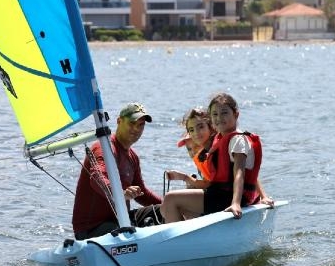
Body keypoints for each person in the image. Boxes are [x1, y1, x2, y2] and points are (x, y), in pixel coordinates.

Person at [160, 93, 271, 223]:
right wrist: (263, 196)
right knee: (169, 208)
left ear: (236, 115)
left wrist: (236, 203)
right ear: (211, 118)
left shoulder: (237, 140)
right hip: (222, 195)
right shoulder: (221, 139)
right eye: (215, 114)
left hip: (229, 197)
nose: (219, 118)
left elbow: (240, 172)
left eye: (224, 113)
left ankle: (179, 237)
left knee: (170, 199)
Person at [72, 102, 162, 239]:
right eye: (132, 123)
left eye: (141, 125)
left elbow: (142, 194)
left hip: (120, 220)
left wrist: (169, 203)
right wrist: (121, 194)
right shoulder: (103, 148)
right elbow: (97, 177)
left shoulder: (133, 157)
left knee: (163, 210)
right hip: (92, 229)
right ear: (119, 121)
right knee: (131, 232)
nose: (136, 129)